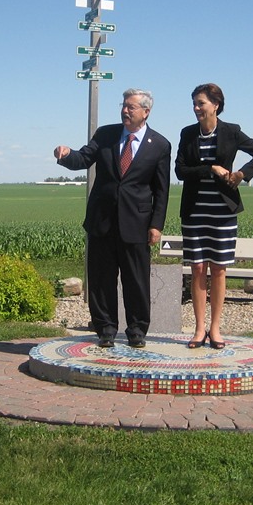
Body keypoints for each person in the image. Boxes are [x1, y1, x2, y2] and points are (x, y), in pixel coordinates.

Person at [54, 88, 171, 348]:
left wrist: (156, 225)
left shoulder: (160, 144)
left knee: (136, 281)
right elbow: (83, 157)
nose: (125, 111)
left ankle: (137, 331)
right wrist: (65, 154)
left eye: (131, 107)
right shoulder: (106, 134)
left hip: (137, 224)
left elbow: (162, 190)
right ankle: (105, 329)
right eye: (124, 106)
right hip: (102, 221)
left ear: (145, 112)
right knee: (101, 279)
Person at [175, 83, 253, 349]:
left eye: (200, 103)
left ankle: (215, 330)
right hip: (194, 212)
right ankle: (198, 329)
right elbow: (181, 170)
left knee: (218, 269)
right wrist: (211, 169)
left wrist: (241, 174)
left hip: (223, 212)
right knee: (197, 269)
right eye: (194, 103)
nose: (196, 108)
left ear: (215, 105)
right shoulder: (188, 134)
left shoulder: (232, 131)